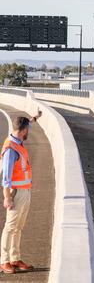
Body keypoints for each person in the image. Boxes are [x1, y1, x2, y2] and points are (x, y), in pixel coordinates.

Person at [1, 109, 41, 274]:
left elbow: (26, 123)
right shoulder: (11, 149)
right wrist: (7, 198)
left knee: (18, 227)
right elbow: (6, 178)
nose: (28, 132)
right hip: (16, 193)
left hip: (24, 190)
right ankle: (3, 261)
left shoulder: (17, 139)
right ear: (23, 131)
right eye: (28, 129)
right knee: (10, 227)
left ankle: (14, 258)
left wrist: (34, 119)